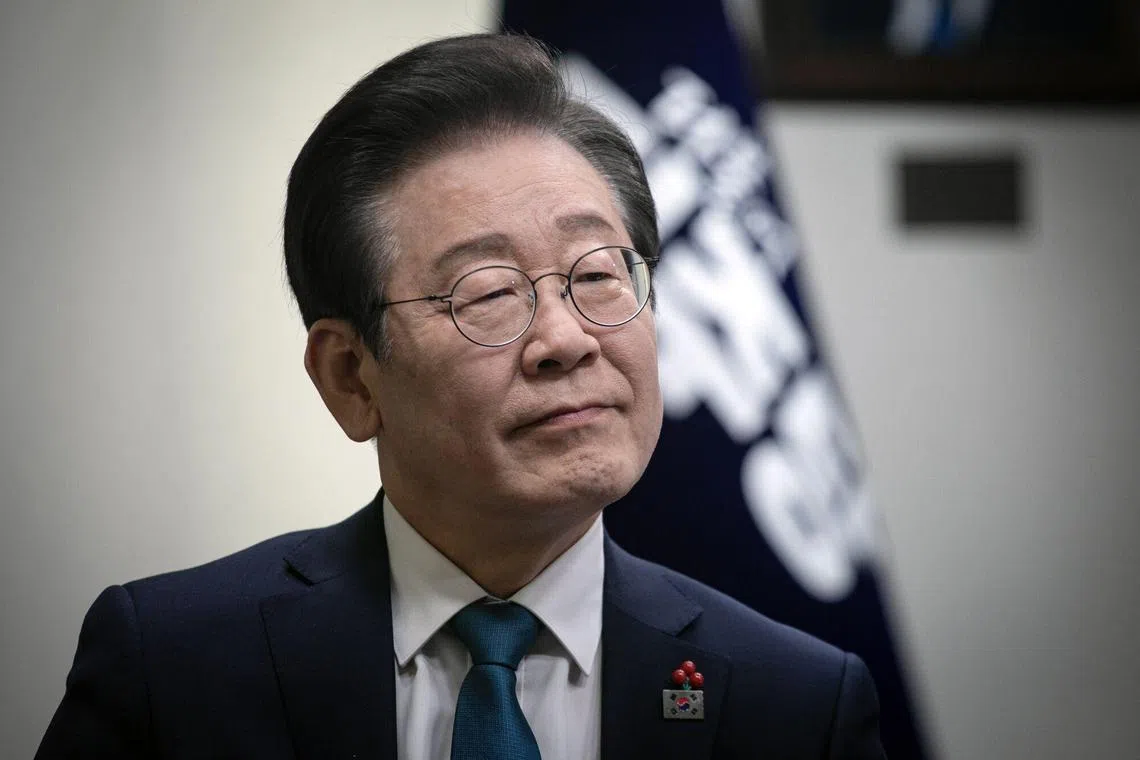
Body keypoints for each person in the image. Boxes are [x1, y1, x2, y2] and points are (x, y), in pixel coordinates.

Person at [36, 33, 886, 759]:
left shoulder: (797, 703)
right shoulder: (171, 668)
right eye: (488, 293)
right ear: (350, 376)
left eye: (598, 274)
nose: (566, 339)